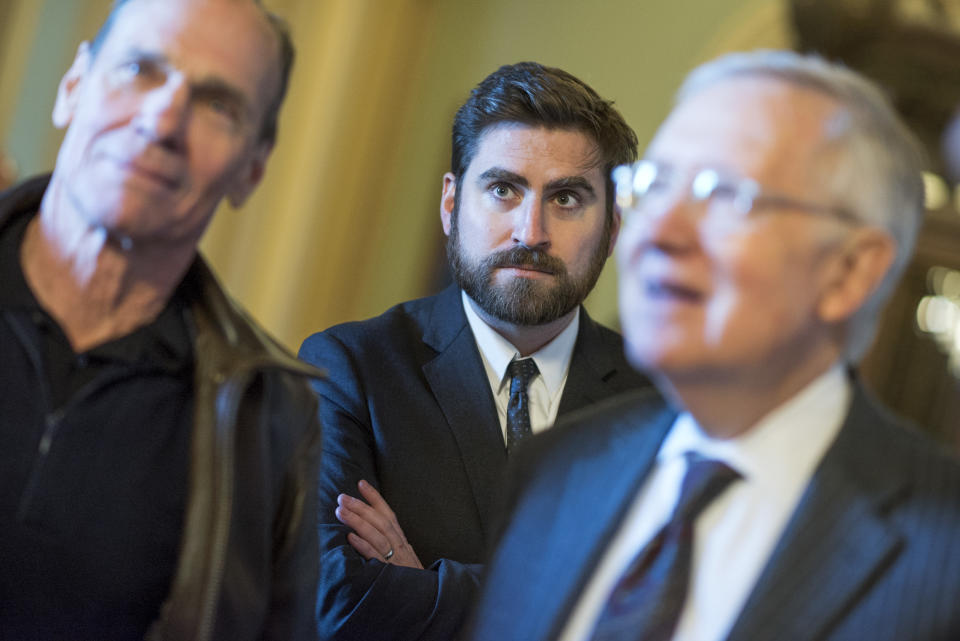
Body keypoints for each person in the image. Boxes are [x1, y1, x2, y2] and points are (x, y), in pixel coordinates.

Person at [468, 50, 960, 641]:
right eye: (653, 185)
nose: (659, 233)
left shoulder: (943, 551)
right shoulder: (558, 469)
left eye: (723, 194)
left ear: (850, 271)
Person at [0, 1, 322, 639]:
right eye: (141, 70)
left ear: (252, 169)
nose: (162, 121)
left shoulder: (277, 423)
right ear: (72, 88)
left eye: (217, 105)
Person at [299, 61, 650, 640]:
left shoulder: (659, 403)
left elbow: (666, 614)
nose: (529, 231)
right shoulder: (349, 368)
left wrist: (424, 584)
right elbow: (340, 603)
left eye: (565, 199)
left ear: (612, 228)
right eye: (503, 189)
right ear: (451, 203)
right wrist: (581, 594)